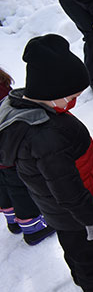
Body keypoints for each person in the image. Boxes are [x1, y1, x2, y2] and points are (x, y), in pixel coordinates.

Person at [0, 35, 93, 292]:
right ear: (53, 92)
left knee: (78, 248)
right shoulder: (45, 138)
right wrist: (91, 219)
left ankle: (89, 268)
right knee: (88, 244)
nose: (74, 100)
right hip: (78, 211)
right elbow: (67, 189)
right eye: (71, 96)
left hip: (62, 212)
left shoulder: (33, 107)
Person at [0, 68, 55, 245]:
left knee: (3, 184)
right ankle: (33, 229)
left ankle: (13, 220)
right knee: (19, 186)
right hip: (7, 147)